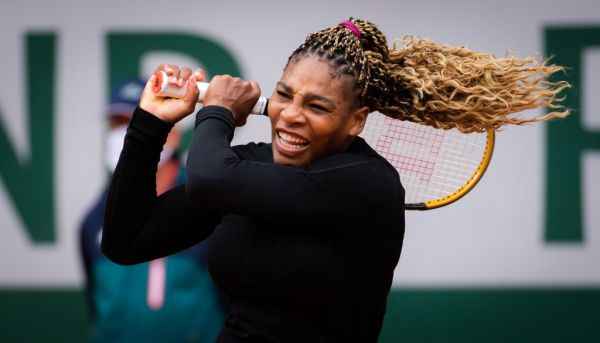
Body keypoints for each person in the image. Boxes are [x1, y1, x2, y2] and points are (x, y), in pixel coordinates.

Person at [100, 18, 569, 342]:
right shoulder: (247, 168)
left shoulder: (367, 184)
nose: (292, 116)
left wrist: (218, 111)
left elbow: (208, 179)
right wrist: (150, 123)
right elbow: (126, 241)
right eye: (285, 95)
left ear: (357, 121)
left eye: (318, 106)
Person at [79, 78, 226, 342]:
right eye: (116, 123)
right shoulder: (93, 220)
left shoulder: (207, 204)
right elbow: (94, 299)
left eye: (134, 121)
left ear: (173, 132)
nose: (123, 133)